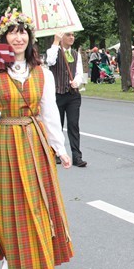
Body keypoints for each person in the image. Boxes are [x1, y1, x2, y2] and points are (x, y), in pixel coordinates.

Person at [0, 10, 73, 269]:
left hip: (33, 140)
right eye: (12, 32)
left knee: (36, 203)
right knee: (9, 206)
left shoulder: (42, 72)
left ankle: (30, 266)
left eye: (22, 32)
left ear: (30, 38)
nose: (18, 37)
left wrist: (60, 148)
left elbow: (50, 112)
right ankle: (8, 261)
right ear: (4, 37)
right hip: (4, 142)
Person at [46, 31, 87, 167]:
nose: (71, 37)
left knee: (73, 125)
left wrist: (76, 81)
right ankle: (56, 153)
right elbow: (50, 61)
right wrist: (55, 42)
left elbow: (79, 72)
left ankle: (77, 156)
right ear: (61, 36)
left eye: (73, 35)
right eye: (68, 35)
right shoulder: (53, 50)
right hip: (57, 94)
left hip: (72, 94)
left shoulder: (76, 54)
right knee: (56, 124)